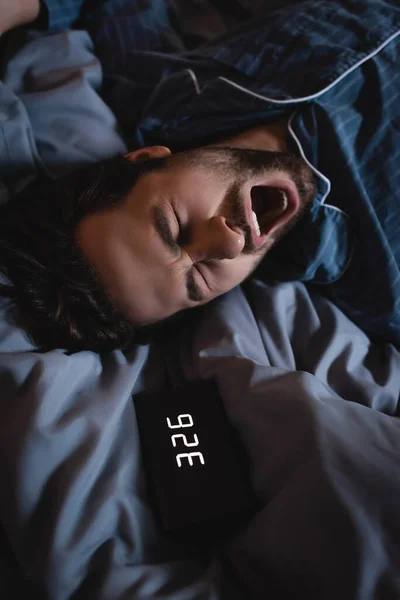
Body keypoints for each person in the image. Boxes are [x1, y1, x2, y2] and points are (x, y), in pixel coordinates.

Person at [0, 0, 399, 353]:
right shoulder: (383, 285)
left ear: (145, 158)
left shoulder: (155, 89)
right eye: (201, 280)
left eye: (177, 226)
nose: (231, 241)